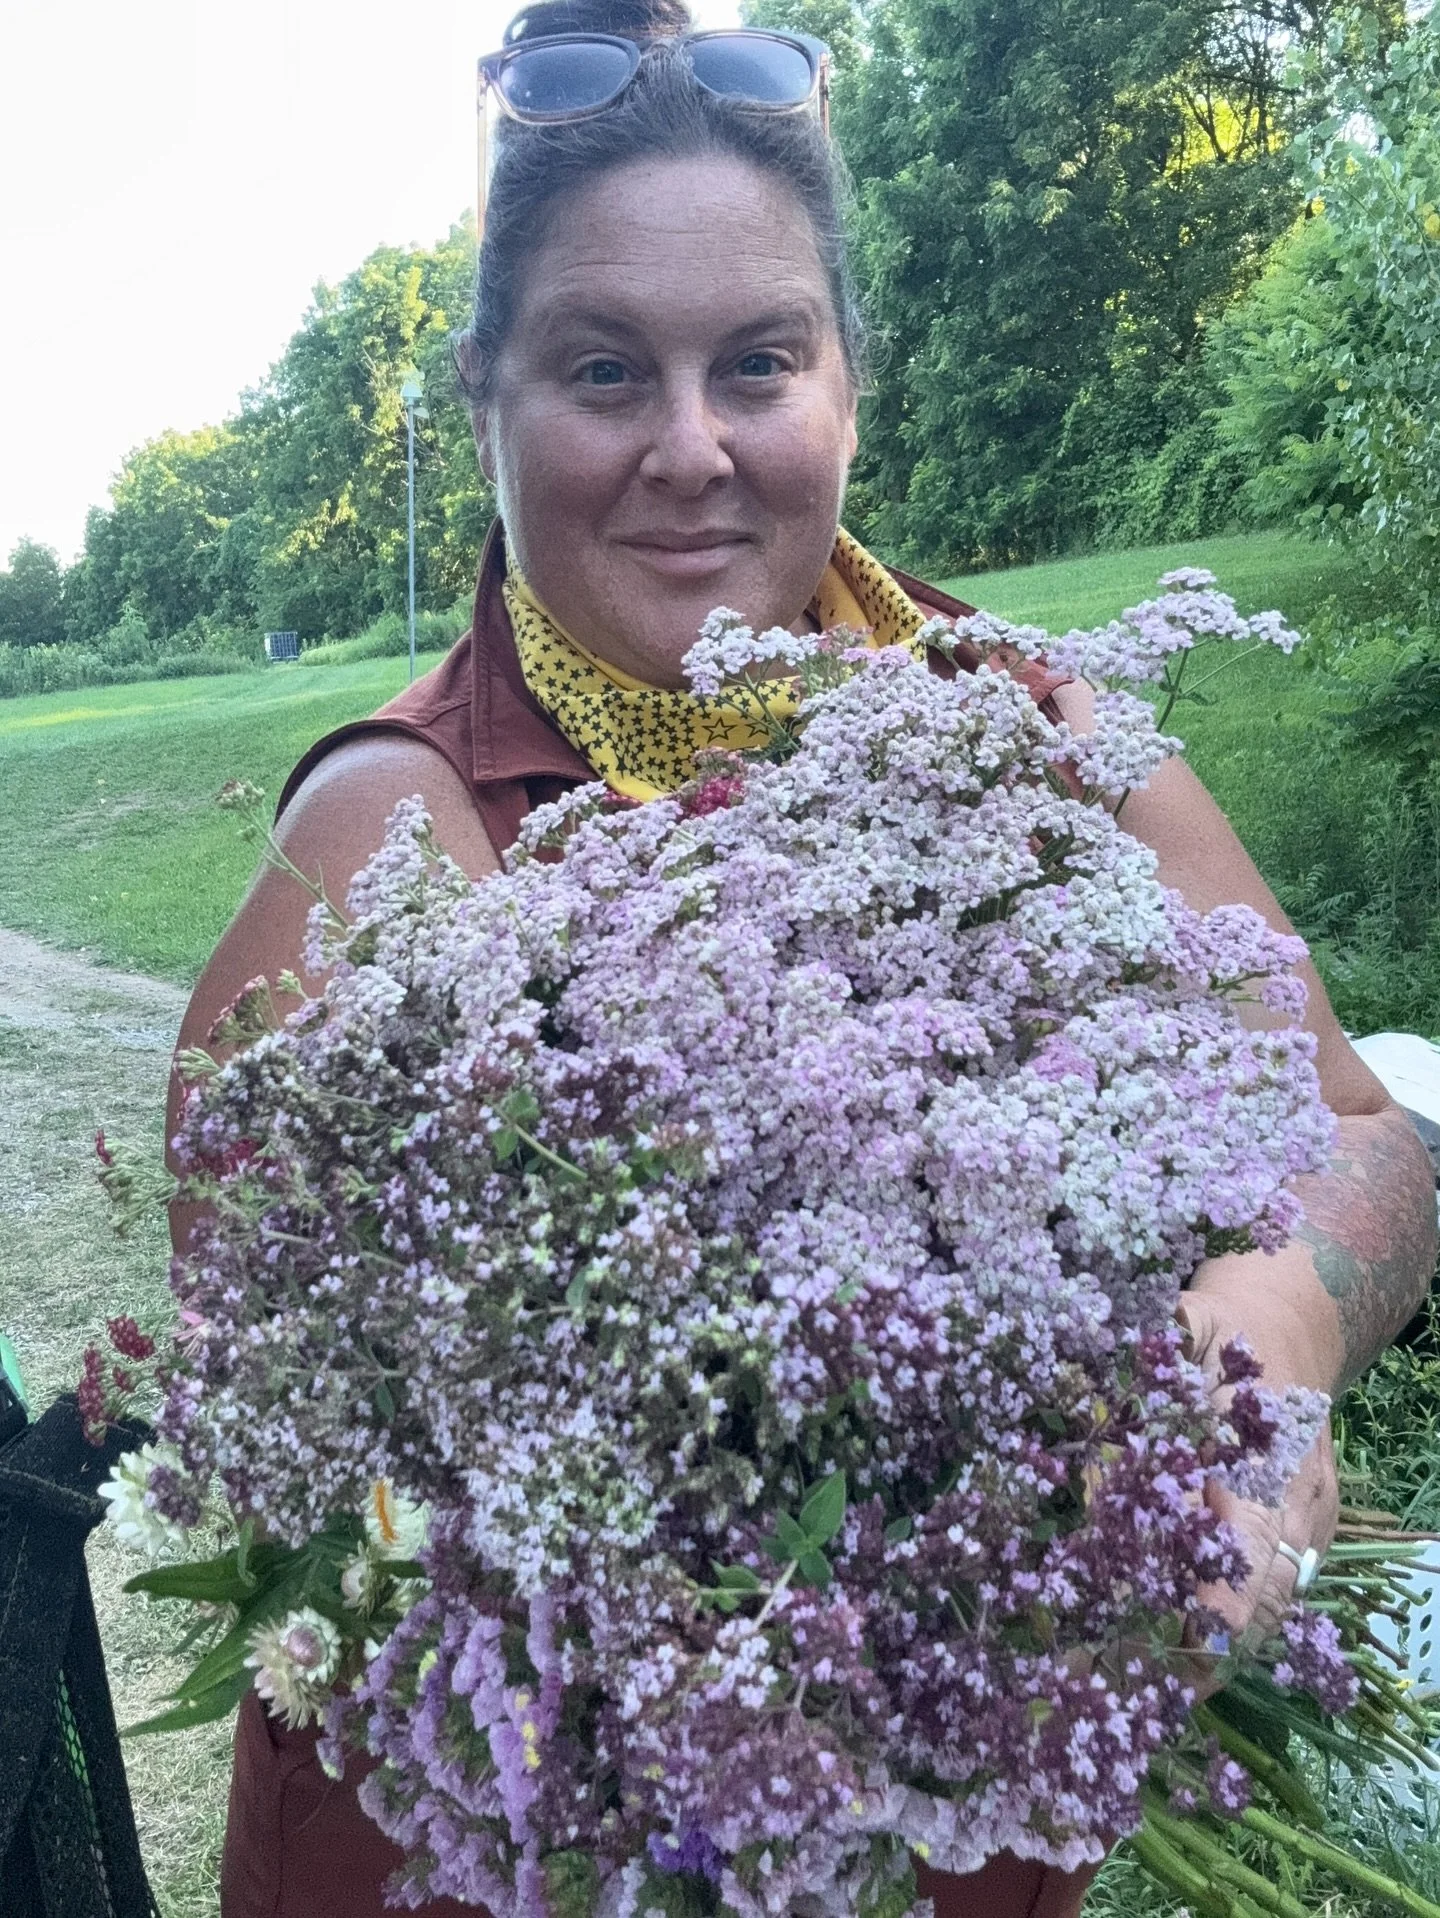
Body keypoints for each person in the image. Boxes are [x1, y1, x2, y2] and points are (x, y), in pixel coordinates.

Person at [168, 2, 1438, 1912]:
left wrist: (1275, 1335)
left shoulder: (1033, 726)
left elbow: (1363, 1127)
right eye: (605, 370)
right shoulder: (395, 839)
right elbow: (275, 1414)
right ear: (487, 395)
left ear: (850, 380)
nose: (692, 449)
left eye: (757, 361)